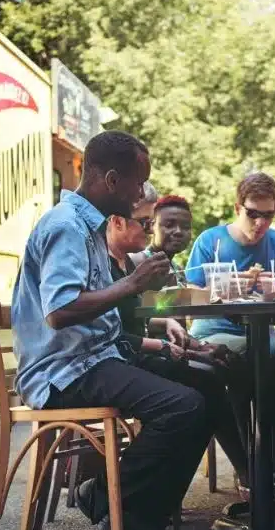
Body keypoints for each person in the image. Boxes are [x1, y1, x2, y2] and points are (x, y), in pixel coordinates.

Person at [11, 130, 207, 530]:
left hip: (94, 359)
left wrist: (161, 339)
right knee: (184, 407)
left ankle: (139, 513)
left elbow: (104, 325)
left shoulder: (90, 227)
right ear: (113, 180)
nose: (141, 193)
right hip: (63, 373)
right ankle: (109, 499)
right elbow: (60, 310)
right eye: (138, 182)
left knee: (206, 385)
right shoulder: (67, 227)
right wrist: (133, 284)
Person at [105, 196, 250, 491]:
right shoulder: (138, 263)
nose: (178, 232)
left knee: (228, 366)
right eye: (164, 224)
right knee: (207, 383)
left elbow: (150, 317)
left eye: (185, 226)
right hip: (133, 358)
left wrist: (194, 343)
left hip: (148, 350)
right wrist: (207, 302)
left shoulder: (171, 267)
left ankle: (251, 470)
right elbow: (146, 314)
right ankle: (250, 473)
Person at [184, 173, 275, 497]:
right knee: (245, 362)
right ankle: (255, 470)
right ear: (238, 207)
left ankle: (274, 468)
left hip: (263, 332)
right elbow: (187, 294)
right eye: (253, 213)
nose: (261, 222)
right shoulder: (212, 241)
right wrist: (227, 287)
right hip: (214, 331)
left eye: (268, 215)